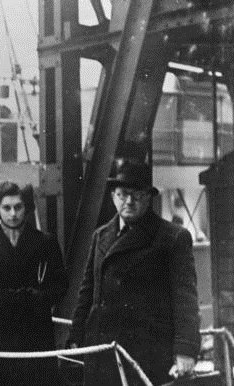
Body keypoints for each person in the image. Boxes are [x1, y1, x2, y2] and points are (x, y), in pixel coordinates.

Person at [68, 159, 199, 386]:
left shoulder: (172, 238)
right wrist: (75, 336)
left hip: (146, 352)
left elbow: (185, 298)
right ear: (113, 196)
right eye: (123, 194)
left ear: (149, 198)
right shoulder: (100, 236)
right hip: (101, 348)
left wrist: (185, 349)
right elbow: (87, 292)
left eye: (137, 195)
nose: (129, 201)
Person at [0, 181, 67, 386]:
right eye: (6, 208)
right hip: (0, 334)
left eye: (18, 207)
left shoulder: (45, 243)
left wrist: (39, 297)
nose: (13, 213)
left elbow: (61, 284)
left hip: (37, 332)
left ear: (27, 208)